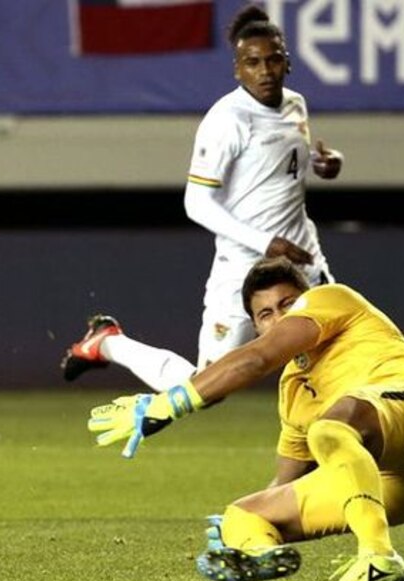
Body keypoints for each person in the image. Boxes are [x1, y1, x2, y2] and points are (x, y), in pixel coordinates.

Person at [88, 257, 404, 581]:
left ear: (306, 300)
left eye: (288, 304)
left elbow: (256, 359)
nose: (280, 318)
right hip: (398, 488)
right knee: (244, 513)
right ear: (256, 327)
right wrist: (242, 535)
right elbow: (285, 483)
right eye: (266, 314)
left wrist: (167, 404)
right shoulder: (294, 391)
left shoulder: (331, 298)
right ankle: (259, 552)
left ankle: (378, 557)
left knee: (330, 429)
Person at [62, 3, 343, 391]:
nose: (264, 70)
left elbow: (280, 164)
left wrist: (322, 162)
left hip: (301, 259)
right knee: (204, 386)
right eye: (253, 62)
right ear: (238, 69)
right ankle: (107, 343)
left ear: (287, 62)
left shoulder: (295, 104)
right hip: (244, 266)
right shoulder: (227, 120)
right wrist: (265, 242)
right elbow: (196, 202)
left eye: (273, 60)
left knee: (337, 348)